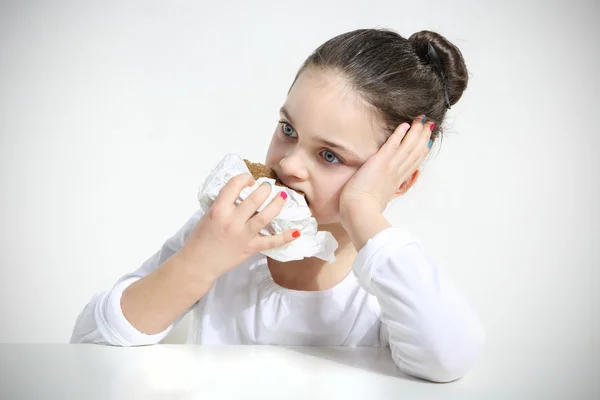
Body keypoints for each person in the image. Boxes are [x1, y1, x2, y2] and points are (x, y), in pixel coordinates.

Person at [71, 28, 485, 383]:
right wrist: (198, 262)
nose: (287, 164)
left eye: (329, 156)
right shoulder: (227, 227)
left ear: (398, 180)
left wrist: (361, 206)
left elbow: (449, 358)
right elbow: (92, 342)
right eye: (288, 129)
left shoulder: (391, 278)